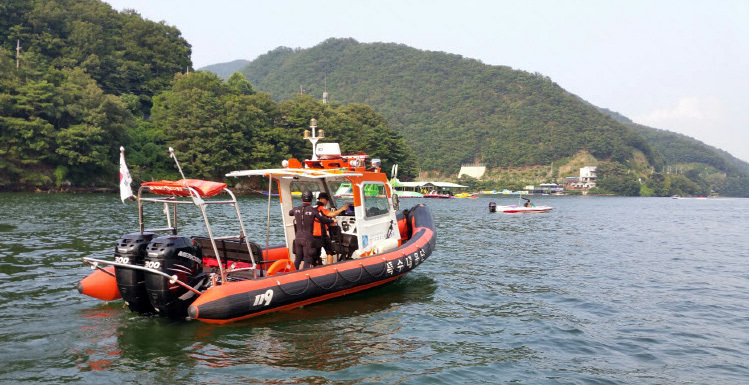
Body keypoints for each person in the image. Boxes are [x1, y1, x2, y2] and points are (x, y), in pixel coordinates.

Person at [289, 190, 336, 270]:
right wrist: (332, 221)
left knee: (298, 259)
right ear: (311, 200)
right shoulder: (313, 210)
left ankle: (291, 276)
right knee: (307, 260)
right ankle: (305, 278)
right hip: (308, 238)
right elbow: (323, 220)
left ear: (302, 199)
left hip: (298, 238)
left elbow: (290, 213)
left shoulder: (296, 209)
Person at [313, 192, 351, 264]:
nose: (327, 202)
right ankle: (330, 268)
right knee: (330, 251)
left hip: (313, 234)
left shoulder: (313, 208)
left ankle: (316, 268)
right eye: (326, 200)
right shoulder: (321, 208)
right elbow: (331, 214)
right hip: (322, 234)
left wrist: (329, 222)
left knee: (316, 254)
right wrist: (342, 209)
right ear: (321, 199)